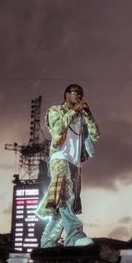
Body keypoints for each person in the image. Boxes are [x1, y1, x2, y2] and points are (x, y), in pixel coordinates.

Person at [36, 84, 100, 247]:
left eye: (81, 94)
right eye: (75, 93)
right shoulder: (55, 110)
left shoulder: (81, 118)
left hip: (75, 162)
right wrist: (73, 111)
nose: (79, 96)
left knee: (66, 201)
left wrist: (88, 115)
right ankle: (74, 235)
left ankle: (48, 240)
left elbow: (96, 135)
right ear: (66, 95)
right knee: (66, 192)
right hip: (59, 157)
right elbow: (58, 128)